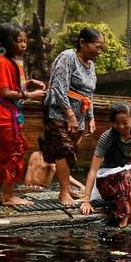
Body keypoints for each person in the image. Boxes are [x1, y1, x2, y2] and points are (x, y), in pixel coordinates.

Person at [0, 23, 46, 206]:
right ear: (7, 42)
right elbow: (5, 92)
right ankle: (9, 196)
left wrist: (29, 83)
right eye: (19, 41)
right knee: (14, 152)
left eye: (25, 41)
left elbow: (15, 86)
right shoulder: (2, 62)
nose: (23, 45)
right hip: (2, 113)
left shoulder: (15, 63)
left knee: (3, 155)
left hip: (7, 113)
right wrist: (30, 95)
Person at [42, 26, 103, 205]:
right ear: (82, 43)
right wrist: (69, 115)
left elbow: (89, 94)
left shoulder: (91, 66)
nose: (100, 52)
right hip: (59, 113)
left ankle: (67, 188)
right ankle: (63, 193)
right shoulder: (67, 57)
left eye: (101, 47)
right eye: (97, 47)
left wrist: (91, 117)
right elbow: (59, 88)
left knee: (71, 152)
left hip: (80, 115)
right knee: (63, 150)